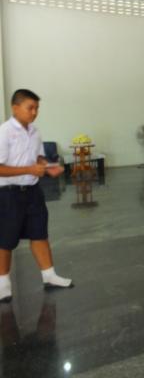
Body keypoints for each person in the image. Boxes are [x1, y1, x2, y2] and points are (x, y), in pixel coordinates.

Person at [0, 89, 72, 303]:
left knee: (39, 233)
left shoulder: (35, 132)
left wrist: (48, 167)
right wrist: (29, 170)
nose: (34, 112)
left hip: (33, 192)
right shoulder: (4, 132)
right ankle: (3, 284)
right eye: (30, 107)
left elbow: (38, 158)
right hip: (8, 194)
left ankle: (49, 276)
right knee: (5, 239)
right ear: (15, 108)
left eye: (37, 108)